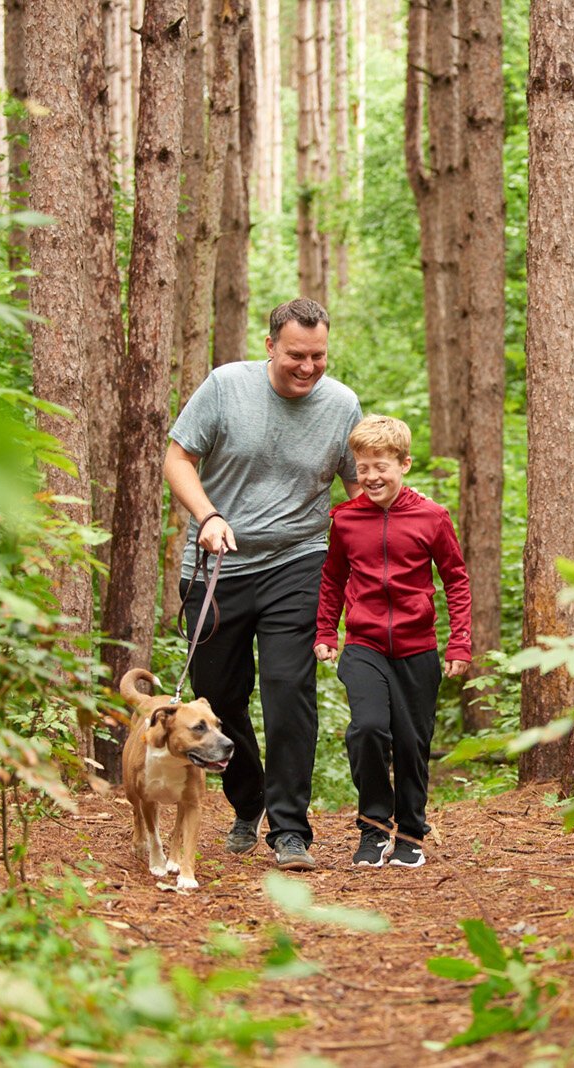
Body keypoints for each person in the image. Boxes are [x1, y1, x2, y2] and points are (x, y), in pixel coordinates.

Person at [163, 298, 362, 872]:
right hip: (218, 562)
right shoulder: (227, 386)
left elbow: (357, 489)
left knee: (287, 687)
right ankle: (246, 800)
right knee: (219, 698)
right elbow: (178, 459)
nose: (307, 367)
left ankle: (291, 829)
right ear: (270, 345)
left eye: (318, 356)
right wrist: (208, 516)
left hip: (299, 560)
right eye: (296, 355)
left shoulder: (342, 404)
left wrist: (379, 556)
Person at [313, 415, 471, 869]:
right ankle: (374, 829)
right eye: (363, 468)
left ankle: (411, 833)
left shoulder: (432, 518)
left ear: (404, 464)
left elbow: (456, 580)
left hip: (418, 647)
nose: (371, 477)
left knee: (411, 743)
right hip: (363, 645)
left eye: (381, 466)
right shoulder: (345, 520)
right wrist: (326, 631)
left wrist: (459, 642)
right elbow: (333, 578)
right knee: (366, 729)